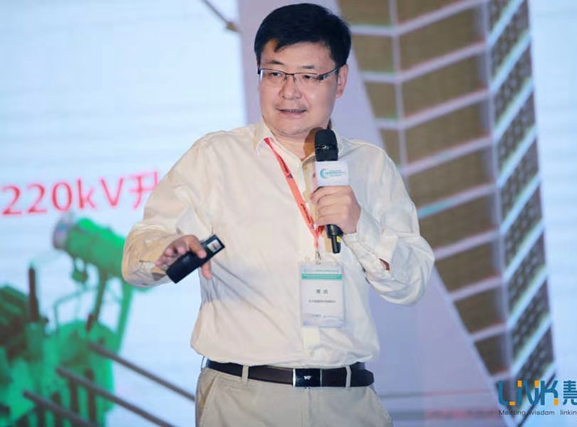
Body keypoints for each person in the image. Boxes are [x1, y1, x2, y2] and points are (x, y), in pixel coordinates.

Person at [122, 3, 434, 426]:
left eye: (308, 76)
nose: (289, 91)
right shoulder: (215, 158)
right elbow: (138, 254)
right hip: (244, 400)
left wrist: (360, 225)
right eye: (275, 73)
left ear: (340, 80)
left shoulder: (371, 166)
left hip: (348, 402)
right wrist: (166, 250)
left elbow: (411, 284)